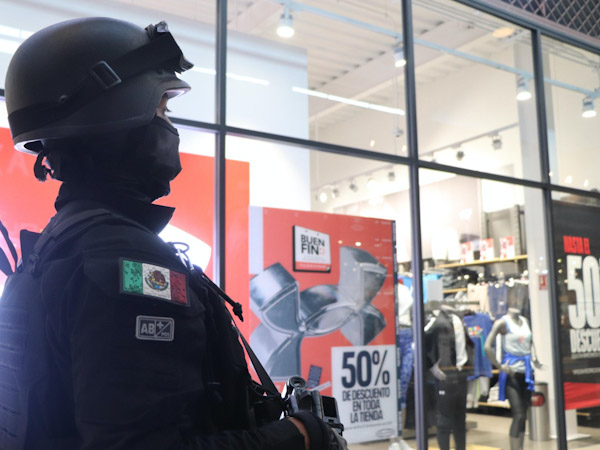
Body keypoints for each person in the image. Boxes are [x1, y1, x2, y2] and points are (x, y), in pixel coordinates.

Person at [0, 17, 345, 450]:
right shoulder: (125, 262)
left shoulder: (60, 246)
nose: (169, 127)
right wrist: (300, 436)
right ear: (118, 116)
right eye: (162, 109)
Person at [484, 306, 542, 450]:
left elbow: (530, 341)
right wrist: (499, 365)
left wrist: (535, 358)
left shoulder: (525, 321)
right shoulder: (502, 323)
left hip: (526, 373)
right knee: (519, 414)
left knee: (524, 415)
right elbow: (487, 346)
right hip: (512, 374)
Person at [424, 303, 474, 450]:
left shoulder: (459, 319)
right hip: (446, 375)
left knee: (460, 419)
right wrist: (434, 369)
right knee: (444, 421)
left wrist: (468, 369)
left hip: (460, 374)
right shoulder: (437, 321)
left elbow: (467, 346)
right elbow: (421, 343)